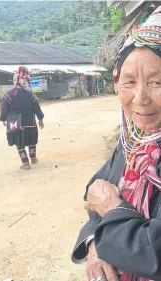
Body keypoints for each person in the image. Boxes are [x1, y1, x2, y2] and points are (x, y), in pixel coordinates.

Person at [72, 7, 161, 281]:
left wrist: (112, 212)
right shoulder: (132, 141)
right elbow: (96, 190)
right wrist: (95, 242)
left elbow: (154, 253)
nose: (140, 98)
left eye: (156, 82)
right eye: (129, 82)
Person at [0, 66, 44, 170]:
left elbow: (4, 108)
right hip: (30, 121)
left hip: (16, 122)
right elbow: (36, 107)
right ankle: (33, 158)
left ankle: (25, 163)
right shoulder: (30, 94)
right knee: (31, 140)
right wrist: (41, 119)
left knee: (19, 144)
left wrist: (3, 119)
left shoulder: (9, 94)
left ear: (15, 81)